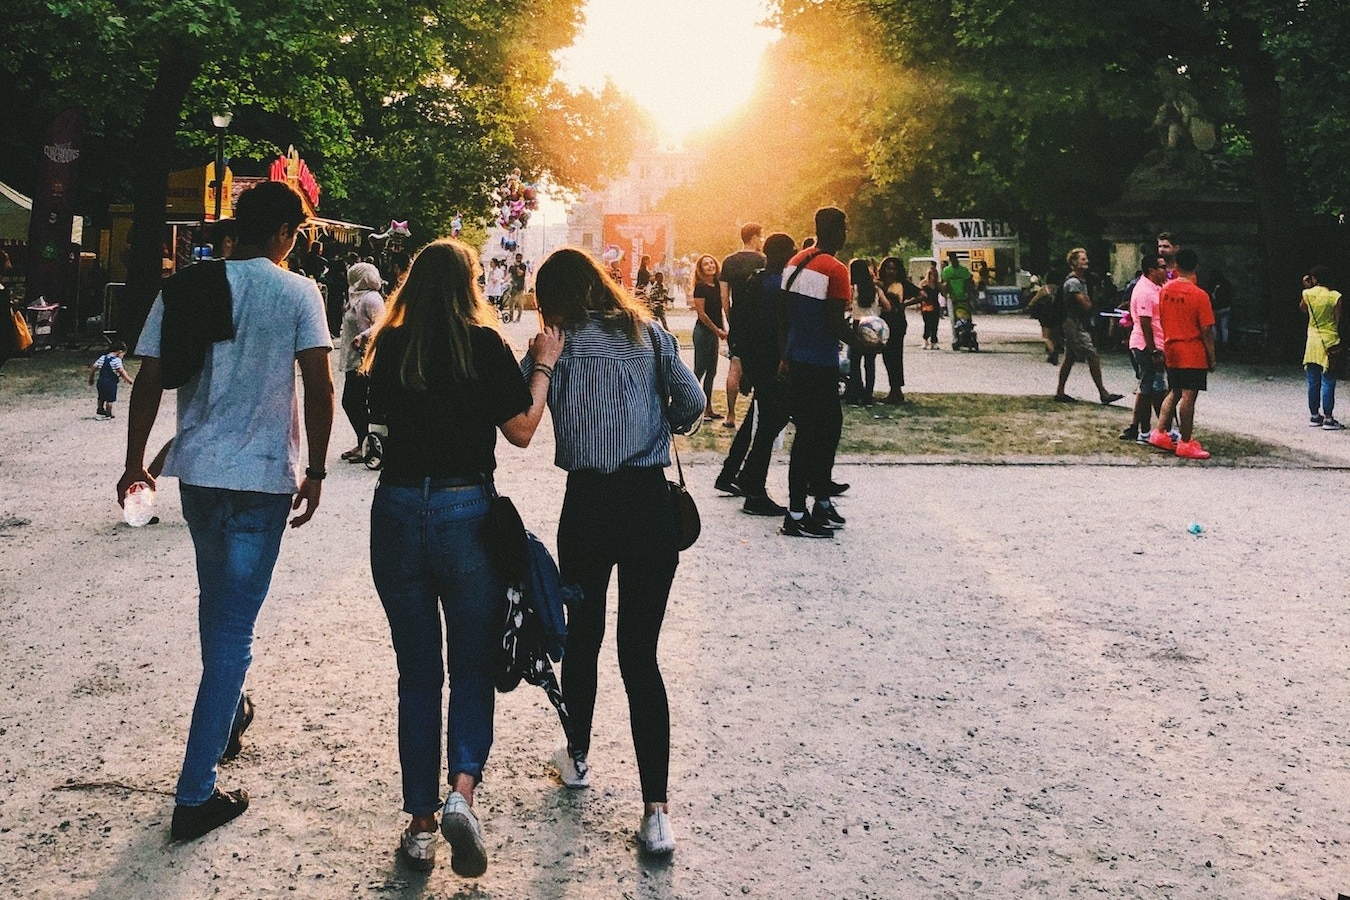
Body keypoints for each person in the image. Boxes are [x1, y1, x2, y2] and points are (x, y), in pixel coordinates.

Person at [117, 180, 335, 841]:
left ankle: (229, 713)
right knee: (234, 634)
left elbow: (150, 375)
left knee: (220, 611)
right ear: (282, 233)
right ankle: (194, 794)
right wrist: (318, 468)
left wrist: (135, 463)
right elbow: (321, 382)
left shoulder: (187, 286)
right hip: (262, 479)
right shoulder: (298, 292)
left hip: (201, 477)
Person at [361, 238, 562, 876]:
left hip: (395, 509)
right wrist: (543, 365)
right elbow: (523, 429)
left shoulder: (387, 345)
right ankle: (460, 794)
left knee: (417, 672)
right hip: (465, 510)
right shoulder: (482, 345)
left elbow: (365, 419)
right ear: (469, 285)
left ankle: (420, 828)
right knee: (472, 666)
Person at [530, 247, 703, 857]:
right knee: (641, 654)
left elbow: (529, 415)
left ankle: (577, 755)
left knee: (584, 636)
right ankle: (656, 811)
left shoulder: (553, 347)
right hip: (649, 504)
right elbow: (692, 407)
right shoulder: (651, 335)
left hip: (588, 506)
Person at [779, 207, 856, 538]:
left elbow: (784, 315)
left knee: (817, 432)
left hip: (797, 358)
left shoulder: (795, 262)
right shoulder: (836, 270)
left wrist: (784, 354)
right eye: (844, 227)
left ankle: (820, 502)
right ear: (838, 231)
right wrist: (864, 342)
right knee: (818, 434)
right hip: (820, 361)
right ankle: (797, 513)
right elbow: (835, 322)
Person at [714, 231, 796, 515]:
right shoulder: (778, 285)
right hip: (773, 362)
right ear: (783, 255)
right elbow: (779, 327)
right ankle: (753, 486)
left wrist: (746, 363)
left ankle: (732, 474)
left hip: (756, 360)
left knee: (757, 420)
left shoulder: (755, 280)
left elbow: (740, 321)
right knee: (771, 421)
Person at [1146, 248, 1217, 459]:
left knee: (1174, 391)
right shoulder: (1199, 295)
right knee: (1189, 395)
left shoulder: (1165, 290)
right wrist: (1211, 356)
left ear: (1175, 265)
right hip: (1191, 350)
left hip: (1171, 346)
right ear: (1196, 267)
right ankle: (1186, 441)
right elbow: (1206, 329)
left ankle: (1160, 432)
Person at [1053, 248, 1124, 405]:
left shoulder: (1078, 281)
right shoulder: (1074, 283)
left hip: (1072, 322)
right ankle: (1103, 393)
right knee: (1092, 355)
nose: (1086, 262)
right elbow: (1086, 305)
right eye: (1083, 259)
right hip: (1074, 324)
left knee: (1070, 358)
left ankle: (1060, 391)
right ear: (1073, 263)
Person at [337, 262, 385, 462]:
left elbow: (383, 322)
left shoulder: (371, 298)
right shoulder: (355, 298)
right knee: (354, 402)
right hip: (353, 358)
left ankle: (369, 445)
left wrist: (363, 336)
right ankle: (364, 443)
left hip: (365, 359)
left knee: (352, 401)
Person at [720, 223, 767, 430]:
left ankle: (730, 415)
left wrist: (731, 318)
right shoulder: (764, 260)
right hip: (760, 318)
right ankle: (760, 412)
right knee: (762, 366)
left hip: (739, 317)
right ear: (755, 237)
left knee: (735, 366)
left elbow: (724, 295)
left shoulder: (729, 261)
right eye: (761, 237)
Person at [1120, 252, 1170, 443]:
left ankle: (1146, 428)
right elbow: (1145, 323)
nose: (1165, 271)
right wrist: (1153, 350)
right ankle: (1151, 429)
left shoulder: (1156, 287)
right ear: (1152, 270)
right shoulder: (1144, 291)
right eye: (1162, 267)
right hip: (1145, 344)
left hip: (1155, 342)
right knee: (1150, 386)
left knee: (1152, 386)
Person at [1300, 264, 1343, 430]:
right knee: (1328, 379)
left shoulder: (1307, 294)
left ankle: (1314, 415)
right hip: (1329, 339)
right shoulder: (1335, 296)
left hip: (1312, 340)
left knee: (1312, 379)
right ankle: (1329, 418)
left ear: (1314, 279)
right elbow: (1337, 320)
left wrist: (1307, 287)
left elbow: (1302, 309)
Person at [877, 256, 920, 403]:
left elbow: (923, 295)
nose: (891, 271)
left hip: (897, 322)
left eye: (894, 268)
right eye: (888, 268)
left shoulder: (902, 284)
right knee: (887, 357)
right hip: (883, 322)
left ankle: (896, 390)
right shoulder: (881, 284)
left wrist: (905, 304)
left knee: (895, 356)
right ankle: (894, 389)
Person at [690, 253, 725, 421]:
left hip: (714, 332)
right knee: (699, 370)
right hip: (703, 333)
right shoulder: (700, 287)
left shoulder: (718, 285)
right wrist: (717, 330)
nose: (710, 266)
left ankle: (708, 408)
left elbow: (720, 310)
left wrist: (722, 329)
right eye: (706, 264)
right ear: (700, 269)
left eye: (712, 262)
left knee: (712, 371)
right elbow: (702, 314)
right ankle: (692, 404)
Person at [844, 258, 883, 406]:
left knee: (855, 362)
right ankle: (868, 395)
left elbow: (847, 305)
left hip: (857, 324)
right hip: (873, 325)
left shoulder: (853, 288)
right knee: (870, 363)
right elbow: (887, 305)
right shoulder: (875, 288)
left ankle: (855, 393)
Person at [88, 341, 135, 418]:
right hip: (111, 383)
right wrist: (129, 380)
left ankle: (100, 409)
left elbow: (93, 367)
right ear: (120, 352)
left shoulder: (103, 357)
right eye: (123, 354)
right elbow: (121, 371)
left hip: (101, 381)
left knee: (101, 396)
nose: (122, 356)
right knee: (110, 399)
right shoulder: (117, 360)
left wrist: (91, 378)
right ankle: (108, 413)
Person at [919, 263, 942, 349]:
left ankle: (934, 341)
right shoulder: (924, 284)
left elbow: (943, 293)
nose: (933, 276)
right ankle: (925, 340)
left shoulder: (937, 285)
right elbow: (920, 296)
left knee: (935, 324)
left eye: (935, 275)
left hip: (935, 305)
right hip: (926, 306)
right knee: (927, 324)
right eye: (932, 274)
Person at [506, 252, 528, 323]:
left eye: (519, 258)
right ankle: (511, 317)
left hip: (520, 287)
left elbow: (520, 273)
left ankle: (518, 317)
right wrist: (504, 281)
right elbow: (509, 274)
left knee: (520, 304)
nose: (518, 259)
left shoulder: (523, 266)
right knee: (511, 303)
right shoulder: (512, 267)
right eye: (517, 258)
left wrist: (517, 267)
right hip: (513, 287)